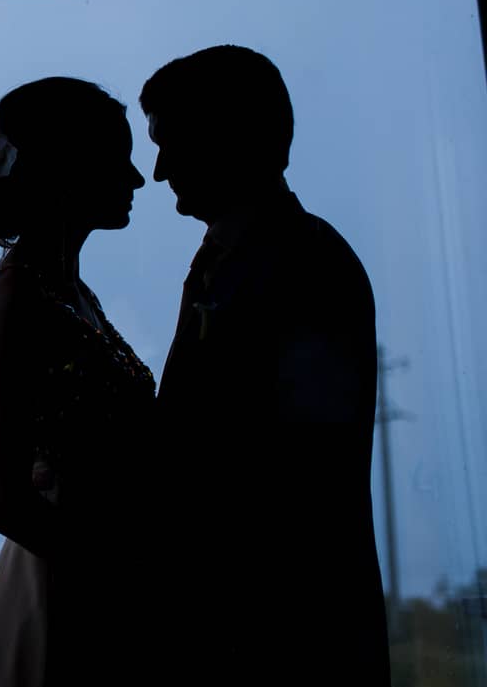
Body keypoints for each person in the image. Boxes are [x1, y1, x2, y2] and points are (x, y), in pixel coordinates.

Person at [140, 45, 388, 686]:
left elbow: (294, 475)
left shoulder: (309, 263)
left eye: (171, 142)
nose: (160, 169)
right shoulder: (231, 259)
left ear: (226, 134)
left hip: (283, 642)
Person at [0, 78, 154, 687]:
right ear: (70, 168)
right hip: (61, 597)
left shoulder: (73, 294)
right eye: (120, 158)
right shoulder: (13, 297)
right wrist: (132, 572)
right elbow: (4, 502)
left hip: (93, 589)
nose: (138, 179)